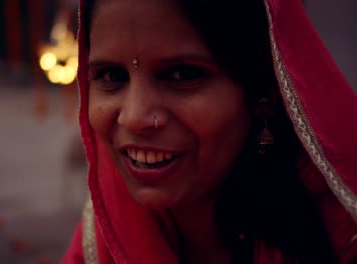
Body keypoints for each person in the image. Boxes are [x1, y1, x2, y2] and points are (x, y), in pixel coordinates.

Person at [62, 0, 357, 263]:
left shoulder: (342, 238)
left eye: (182, 74)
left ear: (264, 91)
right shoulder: (100, 239)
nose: (135, 118)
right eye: (111, 76)